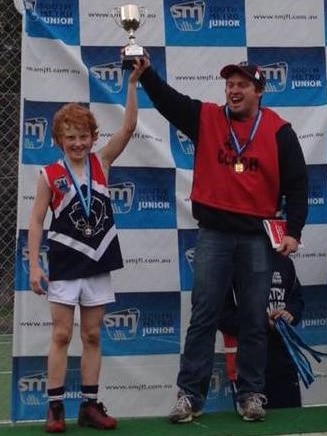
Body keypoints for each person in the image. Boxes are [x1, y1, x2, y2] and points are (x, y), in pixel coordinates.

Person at [133, 58, 308, 422]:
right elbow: (168, 100)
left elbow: (298, 184)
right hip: (213, 234)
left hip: (256, 238)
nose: (233, 89)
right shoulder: (208, 119)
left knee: (253, 320)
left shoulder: (279, 131)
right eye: (230, 83)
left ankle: (251, 395)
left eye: (242, 84)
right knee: (204, 315)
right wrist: (146, 72)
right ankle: (189, 396)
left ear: (259, 91)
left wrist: (293, 231)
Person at [28, 66, 142, 432]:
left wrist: (133, 85)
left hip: (97, 262)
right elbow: (35, 221)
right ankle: (55, 406)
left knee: (92, 335)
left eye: (83, 136)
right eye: (69, 137)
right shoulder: (49, 174)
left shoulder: (101, 162)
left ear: (93, 137)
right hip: (64, 263)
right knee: (61, 334)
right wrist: (34, 265)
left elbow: (127, 128)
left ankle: (89, 406)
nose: (77, 143)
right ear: (59, 140)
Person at [220, 251, 304, 409]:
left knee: (291, 422)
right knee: (253, 425)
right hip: (247, 365)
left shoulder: (284, 261)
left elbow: (297, 301)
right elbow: (222, 316)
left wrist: (290, 314)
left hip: (284, 359)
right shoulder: (231, 265)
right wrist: (261, 322)